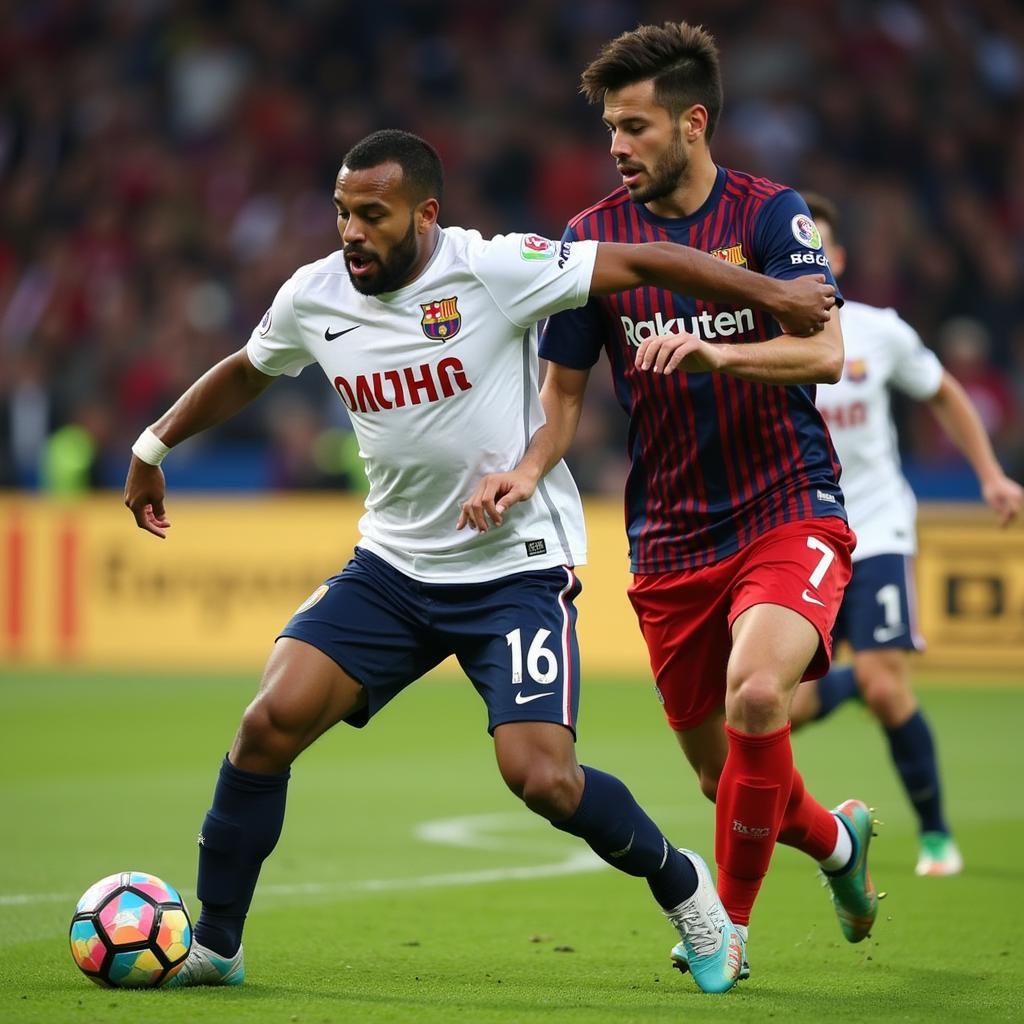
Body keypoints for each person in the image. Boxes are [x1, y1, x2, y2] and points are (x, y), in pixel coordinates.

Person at [123, 129, 835, 994]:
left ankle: (685, 889)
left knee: (542, 779)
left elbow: (646, 264)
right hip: (392, 567)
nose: (351, 231)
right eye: (343, 212)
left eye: (372, 215)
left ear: (424, 214)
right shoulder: (315, 294)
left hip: (513, 570)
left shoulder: (495, 269)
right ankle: (218, 946)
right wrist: (154, 443)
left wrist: (775, 295)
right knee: (268, 723)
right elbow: (249, 369)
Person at [463, 23, 879, 988]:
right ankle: (839, 847)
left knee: (761, 693)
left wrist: (718, 351)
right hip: (670, 534)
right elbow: (562, 399)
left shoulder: (771, 213)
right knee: (720, 778)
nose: (617, 145)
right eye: (611, 127)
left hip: (787, 505)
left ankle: (724, 927)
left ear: (693, 124)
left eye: (636, 126)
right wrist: (527, 473)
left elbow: (823, 351)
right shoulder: (590, 241)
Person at [787, 193, 1023, 876]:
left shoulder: (877, 331)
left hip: (878, 526)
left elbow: (943, 391)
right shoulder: (765, 334)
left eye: (823, 247)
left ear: (838, 257)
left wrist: (991, 475)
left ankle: (937, 834)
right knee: (789, 706)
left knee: (891, 690)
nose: (814, 258)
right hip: (802, 536)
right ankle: (849, 691)